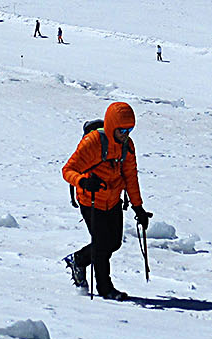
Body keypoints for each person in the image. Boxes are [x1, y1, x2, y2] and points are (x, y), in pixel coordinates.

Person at [61, 102, 151, 300]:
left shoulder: (127, 146)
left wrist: (139, 208)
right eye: (122, 130)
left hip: (113, 200)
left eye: (130, 129)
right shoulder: (93, 143)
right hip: (90, 200)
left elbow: (130, 177)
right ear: (111, 126)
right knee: (102, 245)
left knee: (114, 243)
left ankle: (78, 259)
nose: (126, 134)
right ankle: (105, 289)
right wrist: (83, 181)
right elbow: (67, 170)